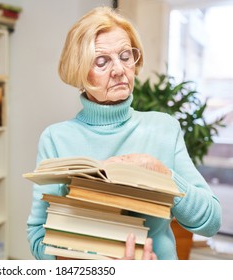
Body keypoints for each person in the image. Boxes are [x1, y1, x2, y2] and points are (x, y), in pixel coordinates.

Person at [26, 6, 222, 260]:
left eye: (125, 55)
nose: (118, 69)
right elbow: (38, 237)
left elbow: (211, 222)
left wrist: (163, 175)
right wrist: (93, 262)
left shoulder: (163, 127)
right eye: (102, 61)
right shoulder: (56, 139)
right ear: (79, 70)